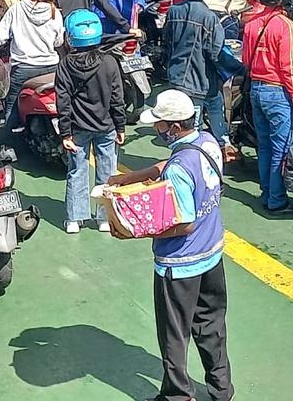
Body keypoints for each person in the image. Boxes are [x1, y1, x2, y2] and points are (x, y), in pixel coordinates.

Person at [108, 89, 232, 401]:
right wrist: (133, 176)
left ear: (173, 127)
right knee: (212, 325)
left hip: (180, 265)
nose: (156, 129)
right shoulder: (207, 143)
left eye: (160, 125)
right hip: (212, 254)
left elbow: (184, 222)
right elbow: (170, 163)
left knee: (174, 334)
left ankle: (178, 395)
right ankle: (221, 389)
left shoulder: (179, 169)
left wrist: (134, 231)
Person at [241, 0, 293, 216]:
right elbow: (288, 66)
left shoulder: (251, 24)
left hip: (256, 90)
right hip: (277, 92)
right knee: (281, 147)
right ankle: (277, 200)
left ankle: (268, 193)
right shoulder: (285, 26)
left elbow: (246, 59)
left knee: (265, 146)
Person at [57, 9, 125, 234]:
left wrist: (65, 133)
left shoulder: (66, 64)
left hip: (77, 128)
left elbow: (63, 100)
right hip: (106, 127)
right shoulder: (109, 62)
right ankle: (105, 218)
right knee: (108, 171)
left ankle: (74, 219)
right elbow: (117, 97)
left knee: (77, 170)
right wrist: (121, 126)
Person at [0, 0, 64, 131]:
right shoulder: (54, 12)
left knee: (11, 107)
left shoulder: (17, 9)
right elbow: (58, 42)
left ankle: (9, 144)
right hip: (51, 68)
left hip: (23, 70)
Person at [164, 0, 229, 151]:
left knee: (215, 103)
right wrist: (237, 68)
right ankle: (215, 148)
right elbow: (216, 52)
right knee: (195, 126)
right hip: (200, 80)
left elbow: (167, 40)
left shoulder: (173, 12)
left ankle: (225, 145)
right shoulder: (209, 17)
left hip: (177, 76)